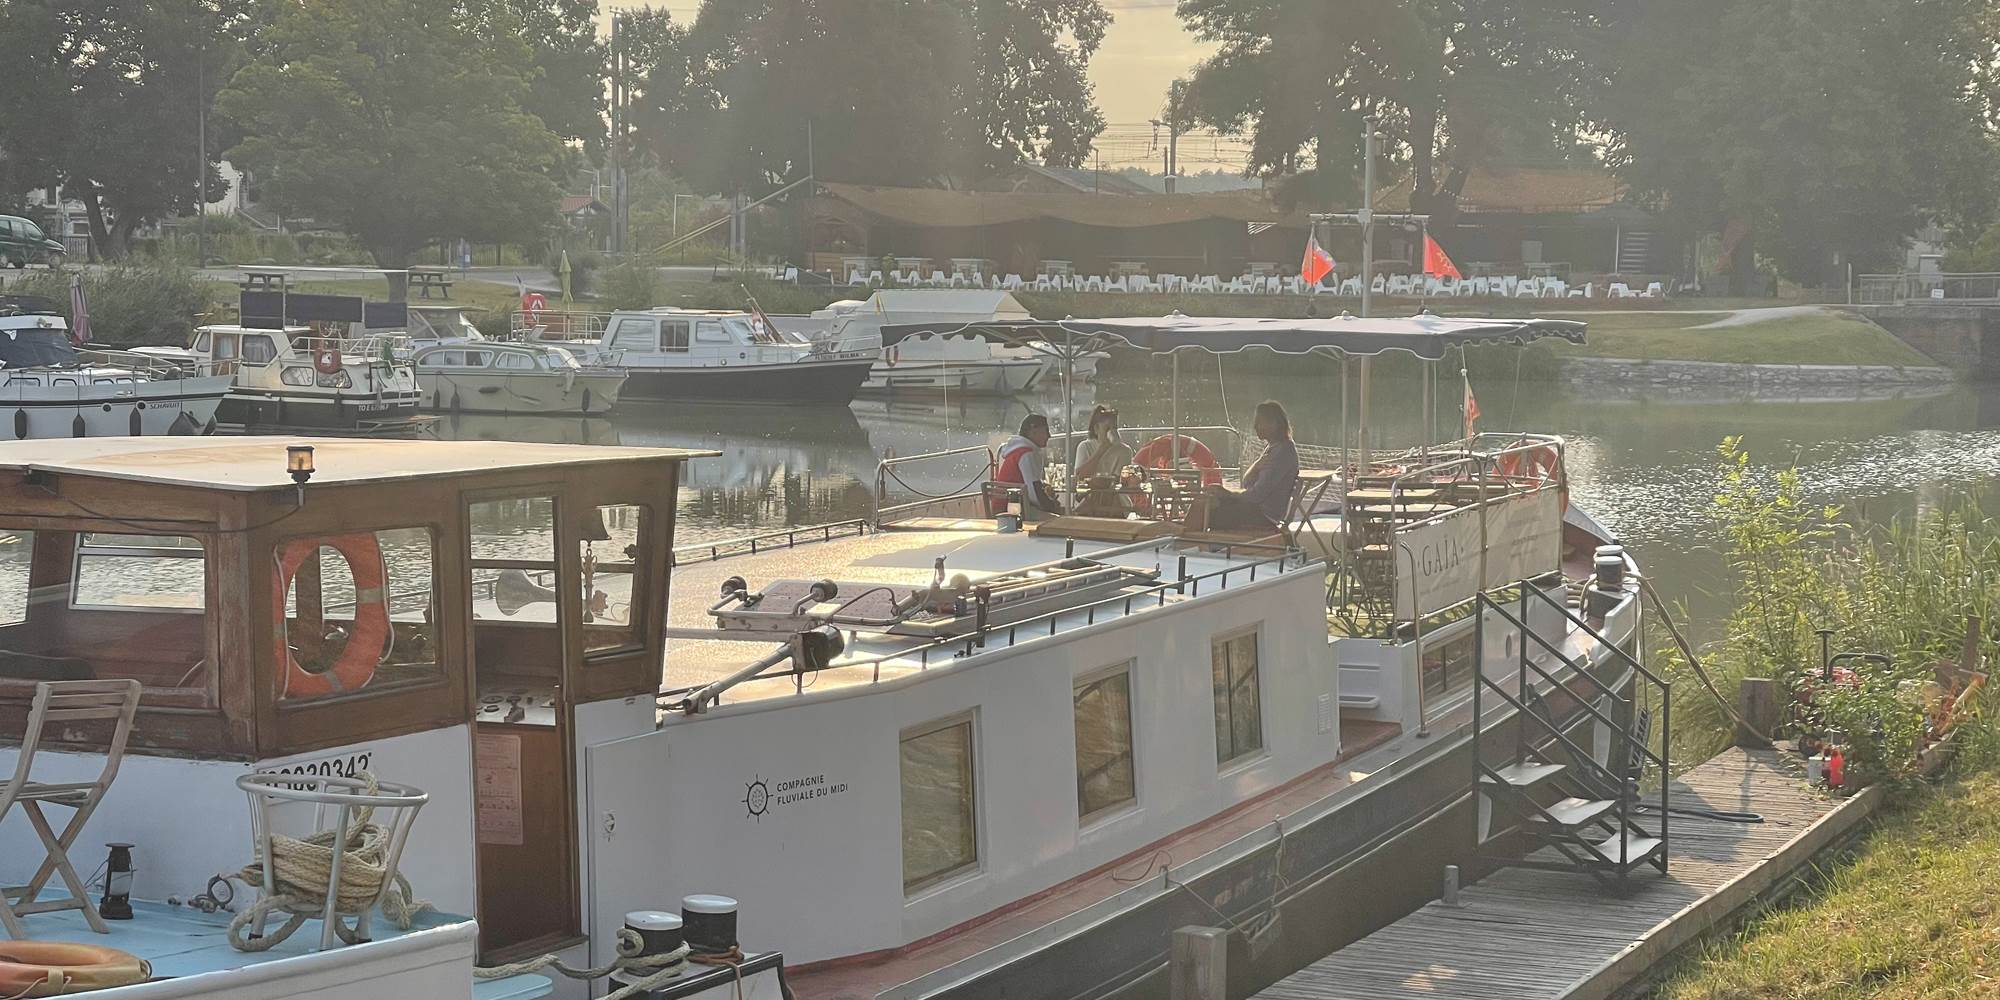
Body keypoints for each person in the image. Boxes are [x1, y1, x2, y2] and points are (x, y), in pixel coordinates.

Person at [1206, 400, 1299, 531]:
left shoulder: (1283, 452)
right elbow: (1246, 482)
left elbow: (1257, 496)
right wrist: (1256, 466)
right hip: (1256, 508)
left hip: (1265, 515)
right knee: (1209, 502)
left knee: (1212, 511)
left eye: (1260, 422)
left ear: (1274, 424)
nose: (1255, 426)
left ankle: (1204, 546)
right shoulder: (1272, 448)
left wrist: (1228, 494)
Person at [994, 413, 1065, 516]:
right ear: (1033, 432)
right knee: (1058, 519)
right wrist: (1052, 506)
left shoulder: (1018, 452)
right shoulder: (1026, 455)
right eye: (1046, 431)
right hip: (1012, 510)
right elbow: (1033, 493)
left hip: (1007, 507)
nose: (1049, 436)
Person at [1073, 405, 1133, 479]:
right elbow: (1079, 476)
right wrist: (1101, 449)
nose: (1112, 432)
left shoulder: (1125, 451)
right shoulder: (1085, 447)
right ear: (1096, 429)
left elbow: (1123, 480)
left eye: (1114, 428)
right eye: (1107, 428)